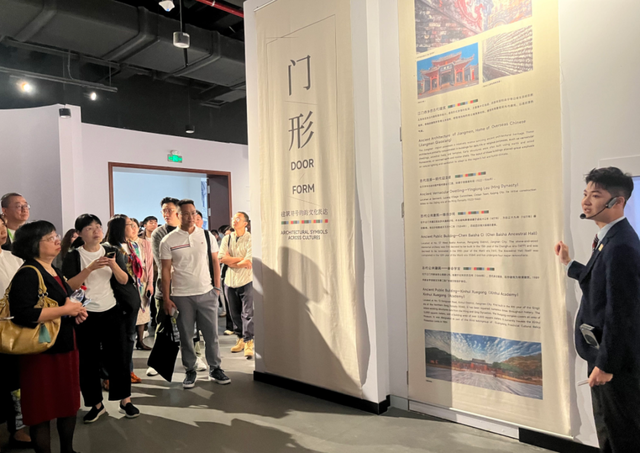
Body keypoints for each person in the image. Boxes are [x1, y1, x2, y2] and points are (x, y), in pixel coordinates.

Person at [554, 167, 640, 453]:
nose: (586, 202)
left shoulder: (621, 246)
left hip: (614, 362)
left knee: (620, 434)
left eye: (596, 195)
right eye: (585, 194)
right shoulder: (609, 239)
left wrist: (606, 365)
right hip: (604, 354)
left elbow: (622, 312)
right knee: (608, 429)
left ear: (617, 201)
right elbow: (600, 283)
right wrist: (569, 264)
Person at [9, 221, 87, 453]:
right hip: (40, 352)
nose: (57, 240)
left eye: (56, 235)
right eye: (50, 237)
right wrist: (65, 310)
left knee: (67, 405)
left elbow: (62, 304)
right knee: (42, 411)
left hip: (64, 345)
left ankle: (67, 450)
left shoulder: (53, 269)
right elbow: (23, 314)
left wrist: (76, 312)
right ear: (34, 244)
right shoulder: (27, 273)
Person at [62, 214, 140, 422]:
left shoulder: (111, 251)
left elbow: (124, 280)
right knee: (88, 360)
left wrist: (113, 265)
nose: (96, 231)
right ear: (80, 233)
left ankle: (125, 400)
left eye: (98, 226)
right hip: (85, 314)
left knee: (120, 357)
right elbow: (70, 286)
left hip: (112, 310)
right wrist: (90, 268)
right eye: (89, 228)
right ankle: (96, 404)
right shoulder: (74, 256)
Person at [160, 199, 230, 388]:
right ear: (178, 215)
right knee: (186, 336)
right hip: (181, 295)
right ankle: (190, 370)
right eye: (186, 213)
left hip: (206, 292)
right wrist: (166, 298)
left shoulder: (206, 236)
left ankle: (215, 368)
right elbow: (165, 271)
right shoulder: (168, 240)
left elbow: (215, 262)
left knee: (211, 335)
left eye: (193, 213)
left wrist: (216, 289)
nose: (191, 217)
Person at [104, 215, 147, 382]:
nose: (134, 227)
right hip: (118, 299)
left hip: (132, 296)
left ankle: (127, 370)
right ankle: (109, 375)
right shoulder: (110, 248)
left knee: (129, 337)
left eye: (134, 224)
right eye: (129, 225)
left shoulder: (131, 246)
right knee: (114, 339)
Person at [0, 216, 30, 448]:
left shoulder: (15, 259)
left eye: (2, 225)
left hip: (12, 329)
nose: (1, 230)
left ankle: (18, 428)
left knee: (14, 381)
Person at [219, 212, 254, 359]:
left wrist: (231, 261)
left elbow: (249, 260)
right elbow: (221, 258)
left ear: (245, 223)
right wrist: (239, 260)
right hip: (230, 280)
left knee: (247, 313)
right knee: (234, 313)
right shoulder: (227, 238)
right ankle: (240, 338)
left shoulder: (250, 238)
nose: (234, 220)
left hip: (246, 280)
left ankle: (249, 341)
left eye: (238, 219)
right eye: (233, 218)